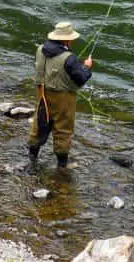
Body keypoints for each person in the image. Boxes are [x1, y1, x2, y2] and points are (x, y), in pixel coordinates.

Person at [27, 21, 93, 168]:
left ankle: (32, 157)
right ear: (66, 40)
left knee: (40, 122)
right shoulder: (69, 58)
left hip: (42, 92)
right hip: (63, 97)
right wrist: (87, 67)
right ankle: (62, 165)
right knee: (63, 129)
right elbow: (81, 78)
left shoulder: (40, 49)